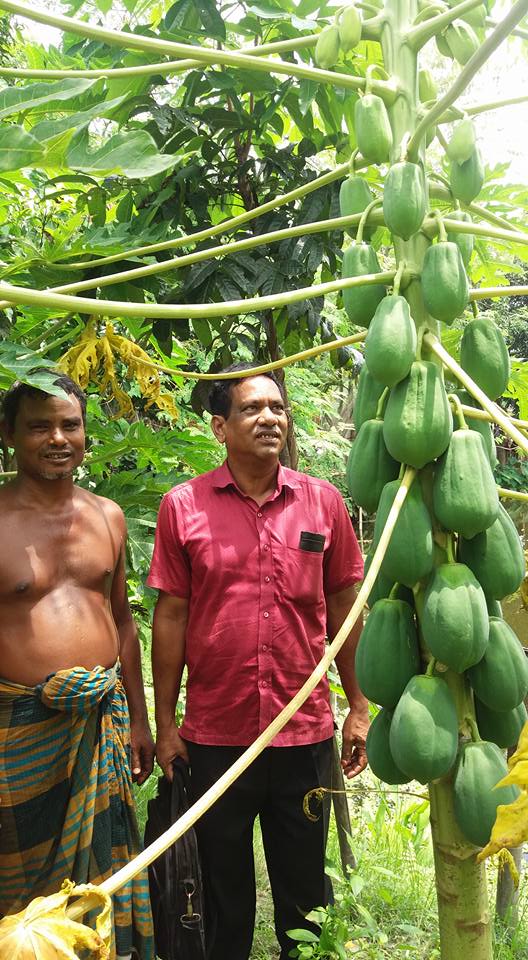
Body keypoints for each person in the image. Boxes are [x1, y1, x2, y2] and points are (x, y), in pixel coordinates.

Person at [148, 364, 368, 960]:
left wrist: (360, 706)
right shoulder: (183, 506)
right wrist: (166, 726)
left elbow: (346, 606)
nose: (271, 417)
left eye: (277, 407)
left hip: (303, 737)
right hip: (216, 738)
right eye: (252, 409)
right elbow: (169, 617)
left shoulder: (322, 504)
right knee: (222, 896)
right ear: (220, 426)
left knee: (305, 896)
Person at [0, 372, 155, 960]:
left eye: (70, 425)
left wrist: (139, 722)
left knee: (100, 882)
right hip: (18, 729)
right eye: (39, 426)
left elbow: (123, 622)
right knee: (17, 888)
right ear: (8, 434)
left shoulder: (109, 517)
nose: (58, 438)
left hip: (100, 726)